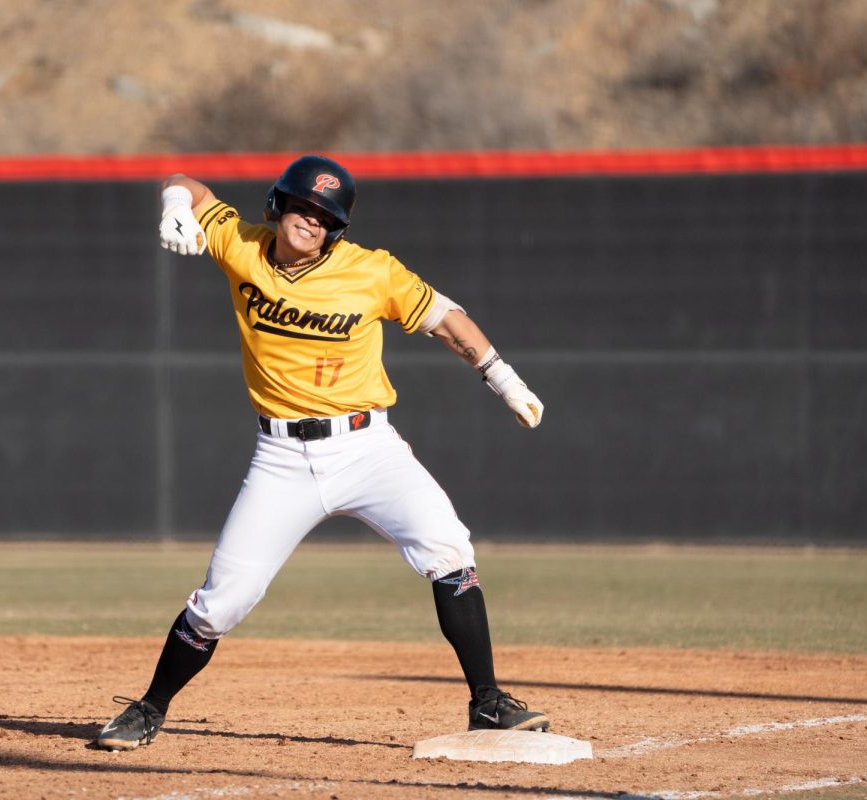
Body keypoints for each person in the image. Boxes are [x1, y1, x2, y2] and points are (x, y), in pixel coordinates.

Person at [96, 155, 548, 752]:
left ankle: (487, 703)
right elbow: (183, 182)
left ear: (337, 228)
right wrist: (177, 207)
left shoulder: (372, 272)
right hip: (281, 457)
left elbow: (446, 319)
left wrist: (504, 379)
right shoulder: (242, 245)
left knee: (449, 547)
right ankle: (150, 707)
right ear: (278, 205)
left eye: (325, 215)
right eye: (303, 206)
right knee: (220, 602)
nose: (311, 220)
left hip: (368, 447)